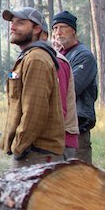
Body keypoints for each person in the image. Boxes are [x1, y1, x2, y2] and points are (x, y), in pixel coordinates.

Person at [0, 7, 65, 167]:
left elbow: (35, 111)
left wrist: (18, 146)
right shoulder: (28, 57)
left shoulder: (36, 59)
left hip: (37, 153)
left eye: (20, 23)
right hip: (32, 151)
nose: (13, 27)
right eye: (12, 23)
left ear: (37, 29)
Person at [51, 10, 98, 164]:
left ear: (74, 31)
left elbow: (70, 89)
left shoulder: (83, 56)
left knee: (79, 177)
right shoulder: (57, 55)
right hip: (58, 126)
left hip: (77, 126)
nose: (58, 32)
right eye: (55, 28)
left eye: (63, 27)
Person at [42, 28, 80, 158]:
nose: (58, 33)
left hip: (60, 140)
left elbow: (59, 108)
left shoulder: (55, 62)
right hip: (53, 140)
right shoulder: (42, 59)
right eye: (55, 29)